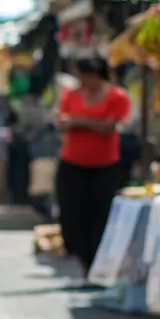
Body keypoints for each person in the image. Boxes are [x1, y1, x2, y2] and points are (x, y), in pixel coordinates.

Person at [54, 56, 131, 276]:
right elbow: (61, 122)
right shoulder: (70, 95)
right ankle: (83, 260)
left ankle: (97, 265)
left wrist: (78, 122)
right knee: (72, 215)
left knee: (100, 215)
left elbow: (109, 128)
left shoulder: (116, 96)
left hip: (104, 165)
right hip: (72, 163)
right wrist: (82, 123)